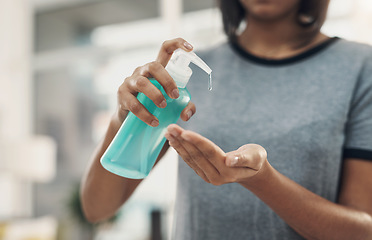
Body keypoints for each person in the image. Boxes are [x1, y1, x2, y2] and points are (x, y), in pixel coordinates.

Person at [80, 0, 372, 239]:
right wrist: (126, 118)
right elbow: (97, 208)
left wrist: (263, 181)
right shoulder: (189, 77)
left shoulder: (359, 68)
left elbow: (363, 231)